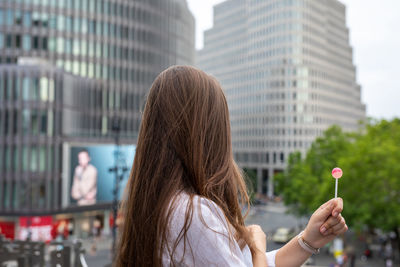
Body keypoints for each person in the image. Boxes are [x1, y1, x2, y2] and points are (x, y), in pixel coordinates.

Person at [115, 66, 348, 267]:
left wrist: (310, 239)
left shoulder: (160, 204)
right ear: (209, 132)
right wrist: (257, 248)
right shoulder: (192, 213)